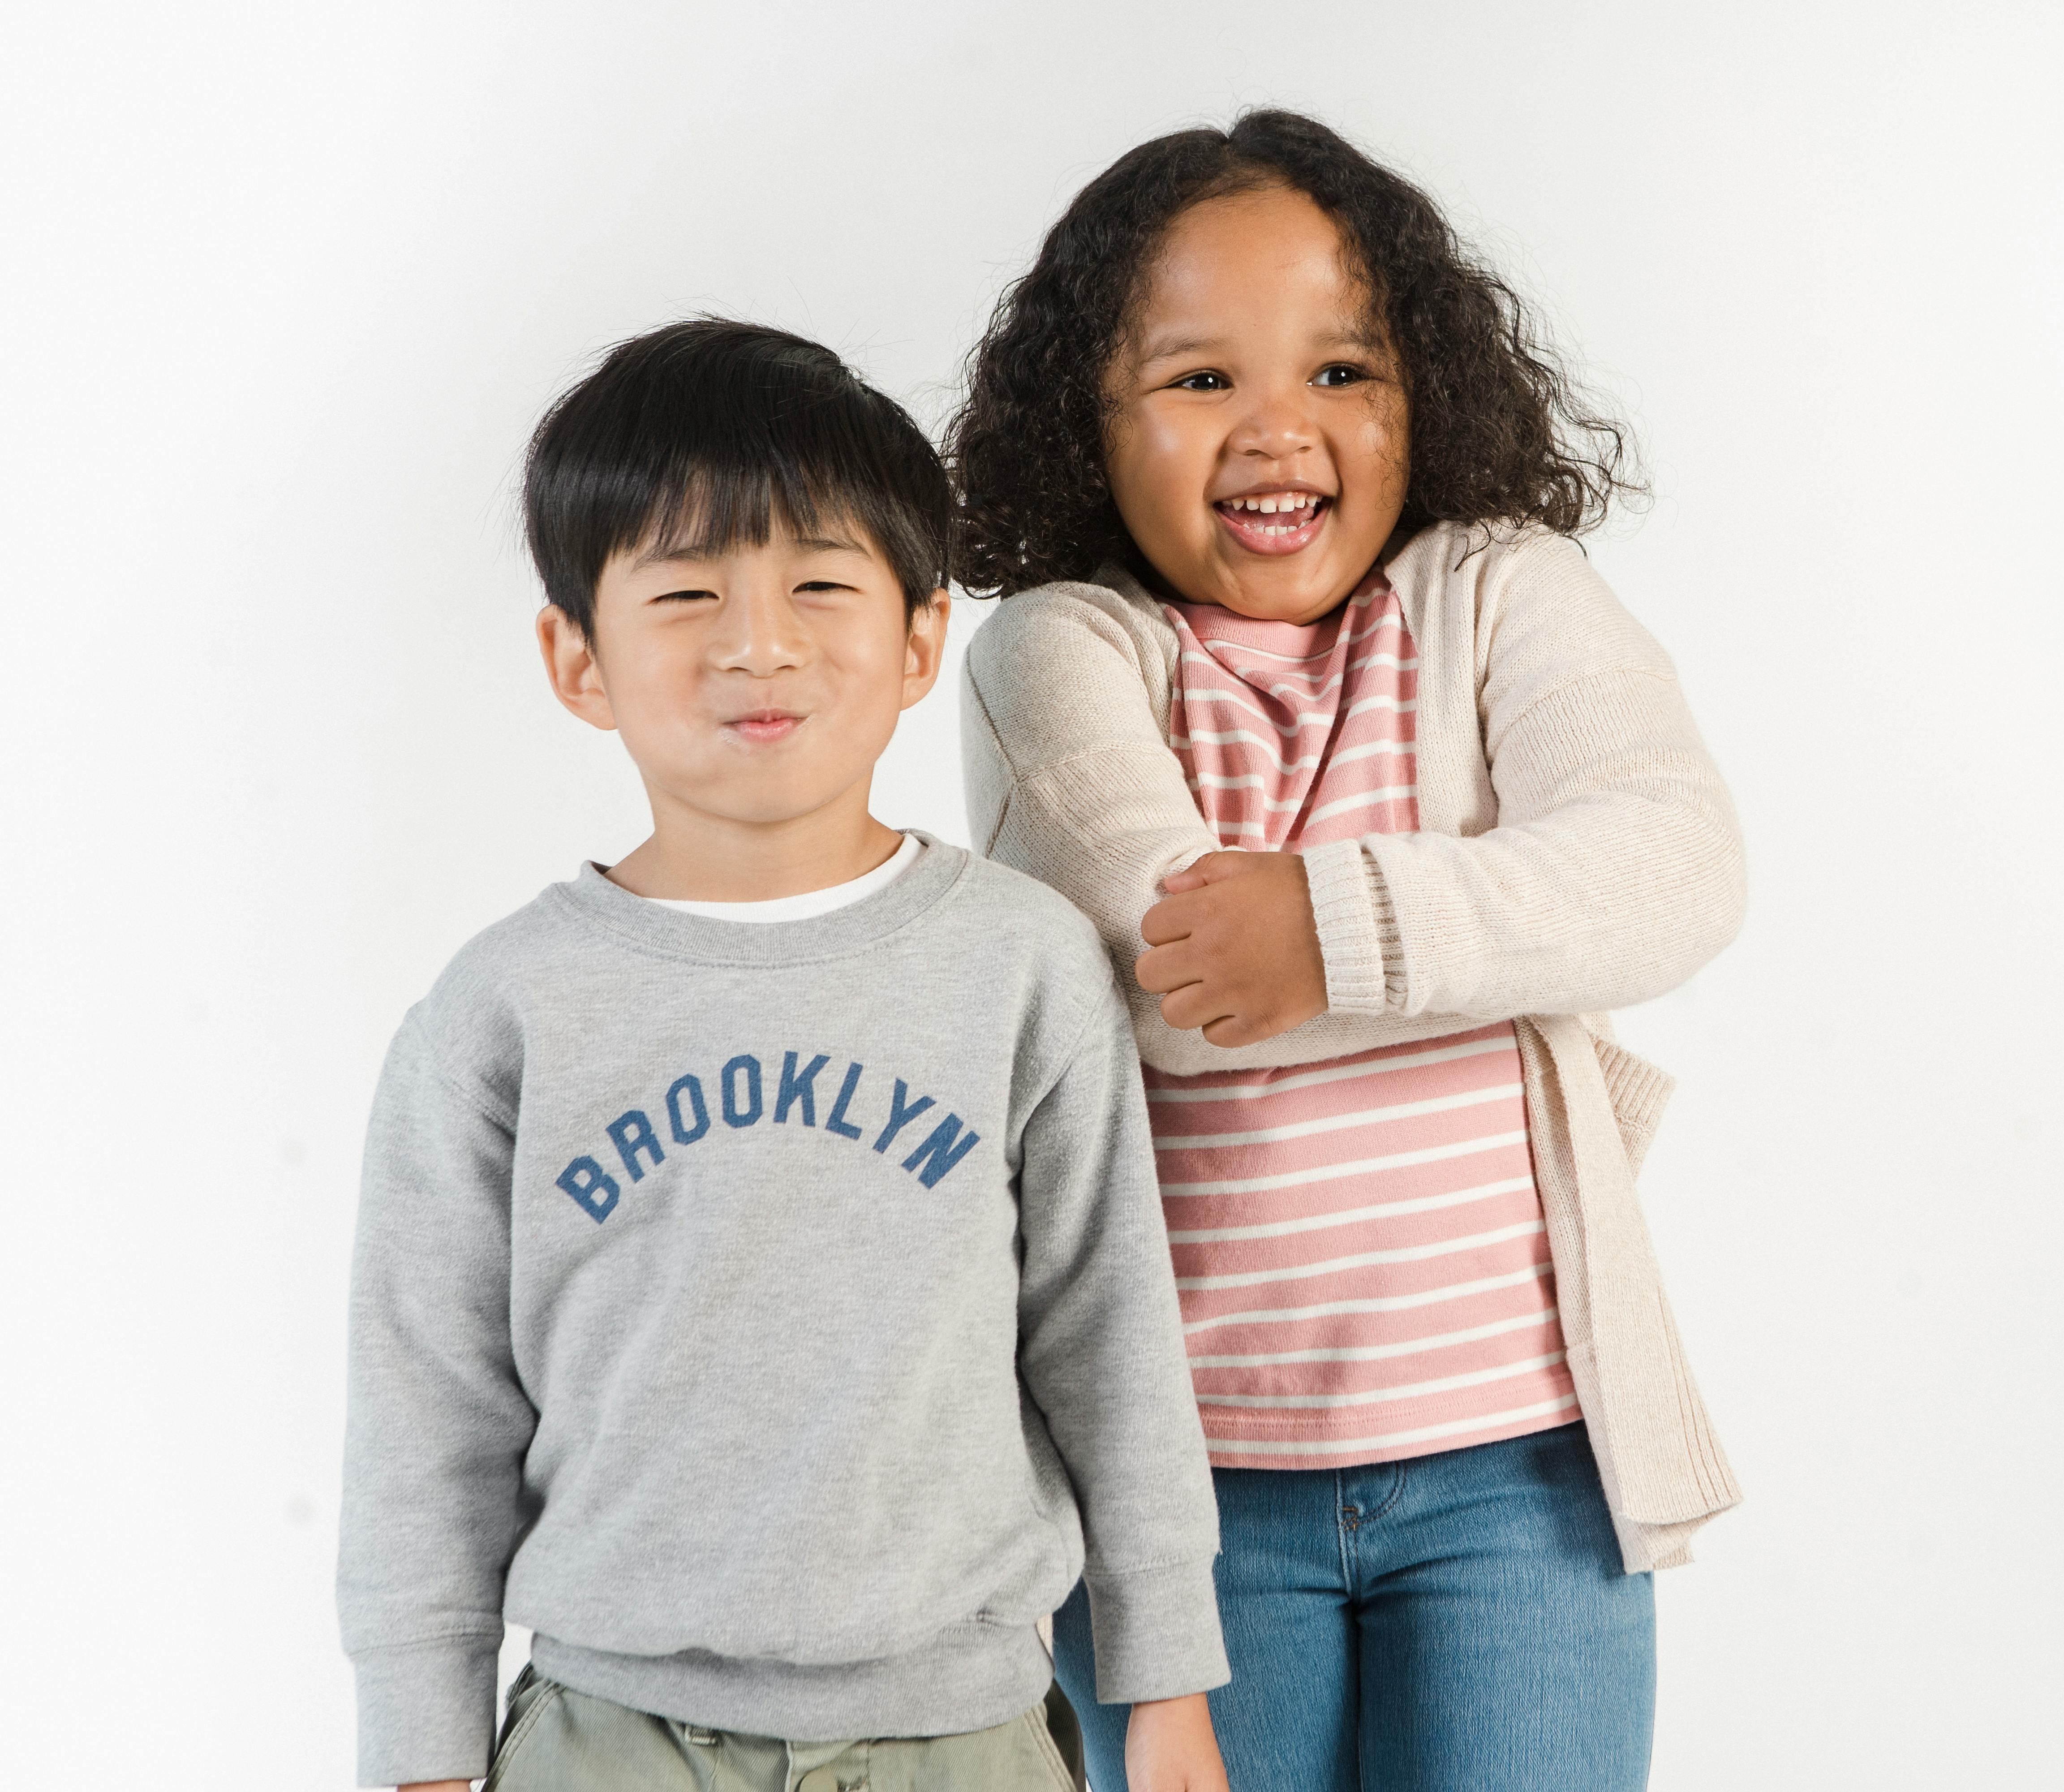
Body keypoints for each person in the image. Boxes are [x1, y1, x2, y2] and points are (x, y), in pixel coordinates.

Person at [950, 111, 1744, 1792]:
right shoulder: (1059, 651)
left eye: (1341, 372)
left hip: (1526, 1475)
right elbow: (1175, 982)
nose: (1277, 431)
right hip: (1187, 1500)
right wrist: (1495, 924)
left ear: (1423, 397)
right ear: (1085, 423)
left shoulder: (1501, 598)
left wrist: (1328, 931)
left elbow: (1673, 869)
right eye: (1197, 380)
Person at [336, 320, 1230, 1792]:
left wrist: (1169, 1682)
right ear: (578, 657)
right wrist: (418, 1749)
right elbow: (428, 1413)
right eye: (686, 591)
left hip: (966, 1730)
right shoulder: (504, 1011)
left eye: (821, 583)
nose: (761, 642)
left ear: (922, 639)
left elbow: (1111, 1341)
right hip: (605, 1733)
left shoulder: (1021, 965)